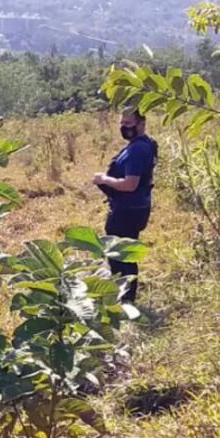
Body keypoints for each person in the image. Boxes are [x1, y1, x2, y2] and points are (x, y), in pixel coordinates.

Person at [91, 109, 158, 303]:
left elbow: (130, 184)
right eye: (122, 123)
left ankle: (125, 298)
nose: (124, 127)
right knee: (124, 252)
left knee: (119, 254)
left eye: (129, 123)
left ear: (142, 124)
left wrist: (104, 179)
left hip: (127, 211)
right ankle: (125, 294)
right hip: (134, 207)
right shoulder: (142, 145)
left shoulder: (138, 150)